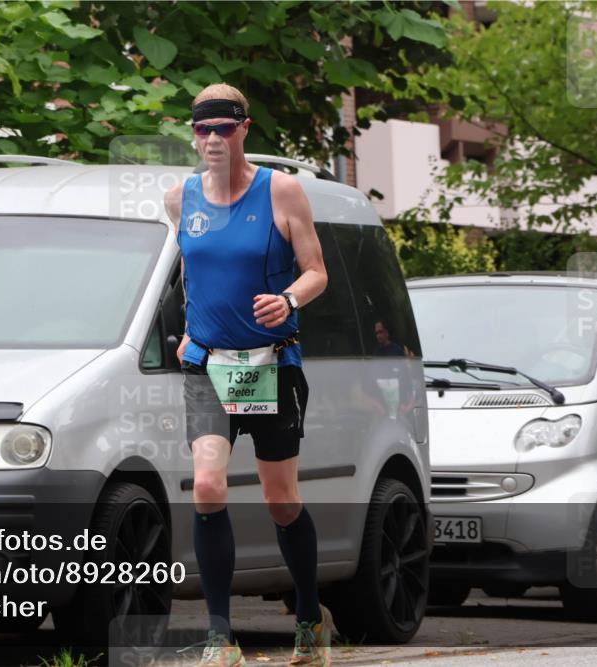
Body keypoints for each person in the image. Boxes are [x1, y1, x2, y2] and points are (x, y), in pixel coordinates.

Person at [164, 83, 332, 667]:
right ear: (194, 132)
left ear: (245, 129)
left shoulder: (281, 191)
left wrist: (287, 299)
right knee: (208, 487)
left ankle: (310, 618)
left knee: (280, 498)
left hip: (270, 365)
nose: (213, 138)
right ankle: (220, 637)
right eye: (203, 128)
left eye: (224, 128)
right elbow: (191, 268)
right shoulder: (179, 197)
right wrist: (191, 324)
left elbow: (317, 272)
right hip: (208, 364)